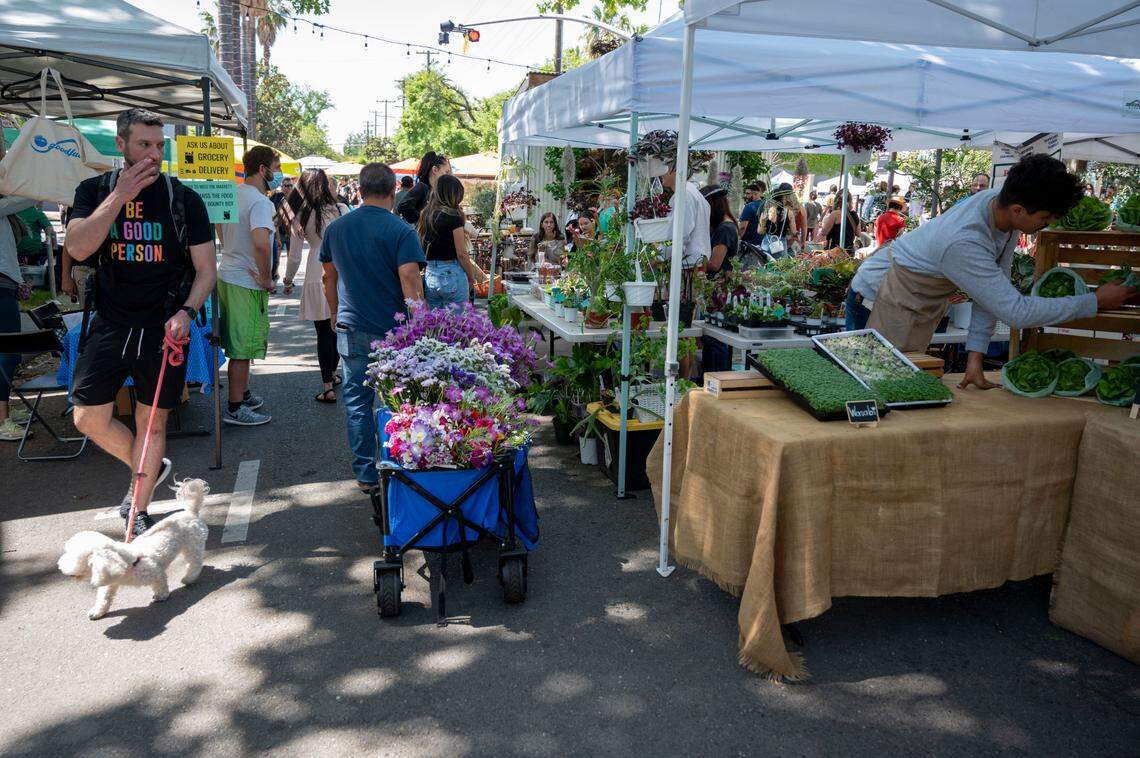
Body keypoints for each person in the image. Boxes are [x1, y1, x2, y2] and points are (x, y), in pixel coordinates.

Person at [64, 109, 216, 537]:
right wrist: (119, 197)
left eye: (159, 145)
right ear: (122, 145)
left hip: (164, 327)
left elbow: (206, 270)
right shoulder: (93, 190)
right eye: (143, 145)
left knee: (154, 423)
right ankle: (147, 465)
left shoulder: (184, 198)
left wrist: (186, 312)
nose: (153, 154)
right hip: (111, 322)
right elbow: (77, 248)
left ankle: (140, 508)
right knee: (86, 418)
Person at [859, 154, 1135, 388]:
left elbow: (990, 291)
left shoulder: (1002, 208)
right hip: (880, 298)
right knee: (874, 384)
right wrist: (1094, 301)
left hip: (915, 298)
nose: (1047, 225)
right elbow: (1016, 311)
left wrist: (975, 357)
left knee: (897, 383)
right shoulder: (965, 241)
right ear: (1018, 210)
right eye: (1045, 218)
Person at [321, 162, 426, 492]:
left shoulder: (337, 229)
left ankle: (366, 473)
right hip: (393, 330)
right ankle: (397, 464)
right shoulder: (401, 231)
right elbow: (410, 281)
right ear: (393, 190)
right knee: (398, 400)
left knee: (356, 402)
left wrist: (335, 312)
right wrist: (421, 327)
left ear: (361, 190)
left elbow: (328, 277)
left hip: (351, 327)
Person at [217, 145, 280, 426]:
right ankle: (235, 406)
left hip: (228, 274)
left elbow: (220, 229)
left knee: (238, 343)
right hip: (246, 280)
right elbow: (261, 244)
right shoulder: (260, 202)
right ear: (263, 169)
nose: (278, 174)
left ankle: (241, 393)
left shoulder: (232, 193)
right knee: (243, 348)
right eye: (276, 168)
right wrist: (266, 278)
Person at [283, 169, 348, 404]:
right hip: (340, 272)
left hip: (314, 271)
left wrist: (288, 280)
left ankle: (327, 386)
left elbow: (294, 255)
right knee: (336, 327)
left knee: (322, 332)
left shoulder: (301, 213)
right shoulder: (341, 210)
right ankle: (333, 372)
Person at [0, 194, 36, 442]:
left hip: (6, 284)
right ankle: (2, 420)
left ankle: (6, 410)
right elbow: (27, 196)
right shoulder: (6, 204)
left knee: (9, 353)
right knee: (6, 351)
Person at [419, 174, 484, 310]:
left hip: (431, 273)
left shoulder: (426, 214)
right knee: (458, 325)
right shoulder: (453, 216)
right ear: (454, 194)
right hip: (451, 273)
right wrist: (471, 278)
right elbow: (461, 254)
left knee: (435, 325)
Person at [700, 185, 738, 374]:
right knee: (713, 336)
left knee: (717, 337)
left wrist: (693, 262)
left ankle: (716, 377)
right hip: (719, 288)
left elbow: (715, 263)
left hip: (720, 289)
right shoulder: (725, 225)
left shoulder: (725, 228)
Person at [396, 151, 450, 226]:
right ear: (435, 170)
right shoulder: (422, 187)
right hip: (421, 236)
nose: (448, 176)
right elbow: (403, 206)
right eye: (446, 172)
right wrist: (424, 221)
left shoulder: (434, 189)